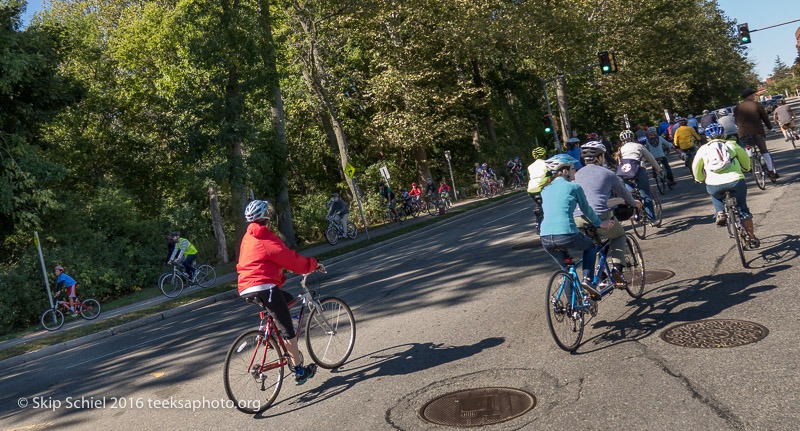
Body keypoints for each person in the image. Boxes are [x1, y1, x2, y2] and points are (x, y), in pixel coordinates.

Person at [237, 200, 323, 385]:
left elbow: (260, 260)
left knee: (287, 300)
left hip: (246, 287)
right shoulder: (266, 236)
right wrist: (312, 264)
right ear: (267, 219)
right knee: (288, 329)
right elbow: (289, 258)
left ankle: (273, 335)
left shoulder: (247, 238)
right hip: (264, 287)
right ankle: (299, 371)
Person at [539, 154, 614, 297]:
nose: (575, 171)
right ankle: (588, 280)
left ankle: (572, 309)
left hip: (545, 237)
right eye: (573, 168)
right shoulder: (573, 187)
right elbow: (587, 210)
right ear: (565, 171)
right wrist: (600, 223)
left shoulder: (545, 189)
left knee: (567, 269)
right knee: (590, 246)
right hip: (566, 233)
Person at [575, 142, 642, 284]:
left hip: (577, 218)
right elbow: (624, 193)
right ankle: (617, 268)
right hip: (598, 215)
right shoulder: (608, 173)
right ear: (600, 157)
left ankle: (600, 277)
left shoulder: (576, 174)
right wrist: (634, 203)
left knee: (594, 244)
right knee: (619, 235)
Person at [691, 124, 759, 248]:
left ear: (707, 137)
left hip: (714, 183)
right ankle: (752, 238)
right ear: (723, 134)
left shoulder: (703, 149)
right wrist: (746, 168)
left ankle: (719, 212)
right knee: (743, 208)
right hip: (735, 180)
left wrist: (699, 178)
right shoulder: (732, 144)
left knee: (715, 195)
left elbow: (695, 167)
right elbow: (745, 160)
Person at [617, 130, 662, 225]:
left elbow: (620, 164)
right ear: (633, 137)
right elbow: (651, 159)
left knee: (631, 196)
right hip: (639, 171)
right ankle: (652, 220)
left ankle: (636, 214)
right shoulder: (639, 146)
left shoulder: (620, 150)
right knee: (645, 195)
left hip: (625, 174)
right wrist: (658, 169)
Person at [735, 88, 778, 180]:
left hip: (743, 133)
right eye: (753, 95)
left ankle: (750, 163)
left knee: (748, 148)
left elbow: (736, 121)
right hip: (757, 131)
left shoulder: (737, 108)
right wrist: (770, 128)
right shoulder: (757, 105)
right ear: (750, 96)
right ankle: (771, 172)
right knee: (764, 151)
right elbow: (765, 118)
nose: (754, 96)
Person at [527, 147, 548, 232]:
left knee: (539, 204)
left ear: (534, 157)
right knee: (547, 205)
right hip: (541, 187)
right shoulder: (547, 163)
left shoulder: (530, 166)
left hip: (531, 189)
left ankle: (538, 222)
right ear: (544, 155)